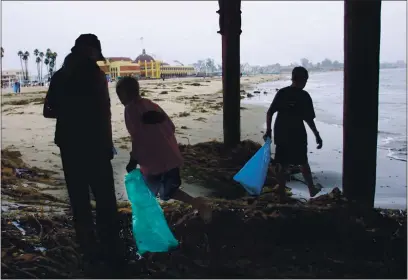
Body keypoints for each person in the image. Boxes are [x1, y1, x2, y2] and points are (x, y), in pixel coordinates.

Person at [43, 34, 124, 272]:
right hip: (95, 144)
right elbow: (104, 113)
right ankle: (111, 249)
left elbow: (48, 111)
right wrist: (108, 145)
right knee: (105, 199)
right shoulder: (96, 77)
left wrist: (69, 112)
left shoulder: (60, 76)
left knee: (79, 199)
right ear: (91, 52)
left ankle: (88, 250)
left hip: (69, 144)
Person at [116, 76, 212, 223]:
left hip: (154, 162)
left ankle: (195, 204)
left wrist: (133, 159)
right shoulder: (151, 104)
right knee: (168, 191)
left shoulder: (130, 110)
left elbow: (137, 136)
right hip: (171, 156)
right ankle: (197, 203)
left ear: (124, 95)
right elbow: (171, 127)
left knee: (153, 188)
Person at [264, 66, 323, 198]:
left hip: (281, 132)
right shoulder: (304, 96)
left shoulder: (282, 93)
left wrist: (269, 130)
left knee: (282, 162)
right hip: (297, 133)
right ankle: (311, 189)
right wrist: (317, 135)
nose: (306, 83)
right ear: (302, 79)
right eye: (306, 80)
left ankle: (281, 190)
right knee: (303, 161)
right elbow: (308, 119)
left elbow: (270, 112)